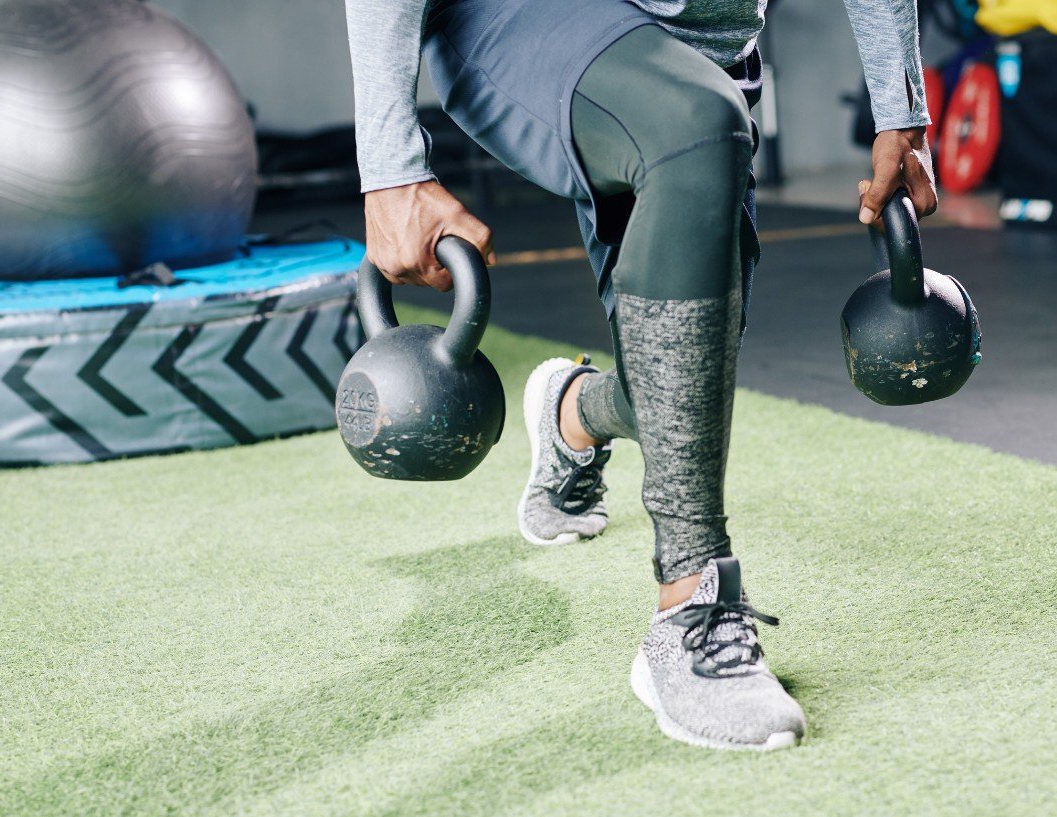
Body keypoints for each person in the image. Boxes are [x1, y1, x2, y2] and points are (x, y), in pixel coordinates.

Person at [346, 0, 937, 751]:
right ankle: (691, 605)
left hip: (709, 48)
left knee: (683, 367)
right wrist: (390, 167)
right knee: (694, 127)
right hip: (526, 18)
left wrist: (901, 112)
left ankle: (574, 414)